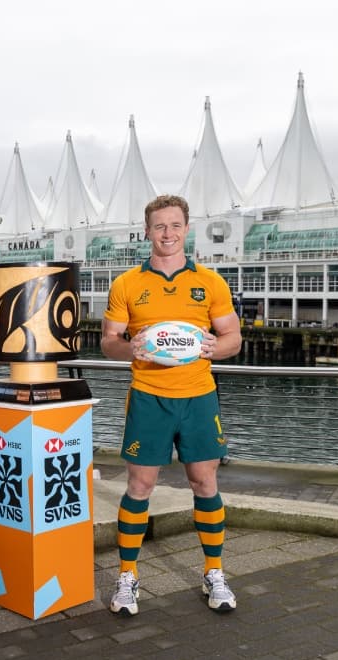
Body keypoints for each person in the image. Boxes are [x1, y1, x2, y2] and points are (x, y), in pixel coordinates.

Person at [100, 194, 242, 616]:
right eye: (159, 226)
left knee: (204, 482)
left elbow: (233, 338)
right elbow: (108, 342)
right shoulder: (127, 284)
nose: (168, 233)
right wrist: (130, 348)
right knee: (139, 486)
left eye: (175, 225)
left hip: (198, 397)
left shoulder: (210, 282)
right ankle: (128, 577)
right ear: (147, 231)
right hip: (149, 397)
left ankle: (214, 572)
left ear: (186, 229)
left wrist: (217, 348)